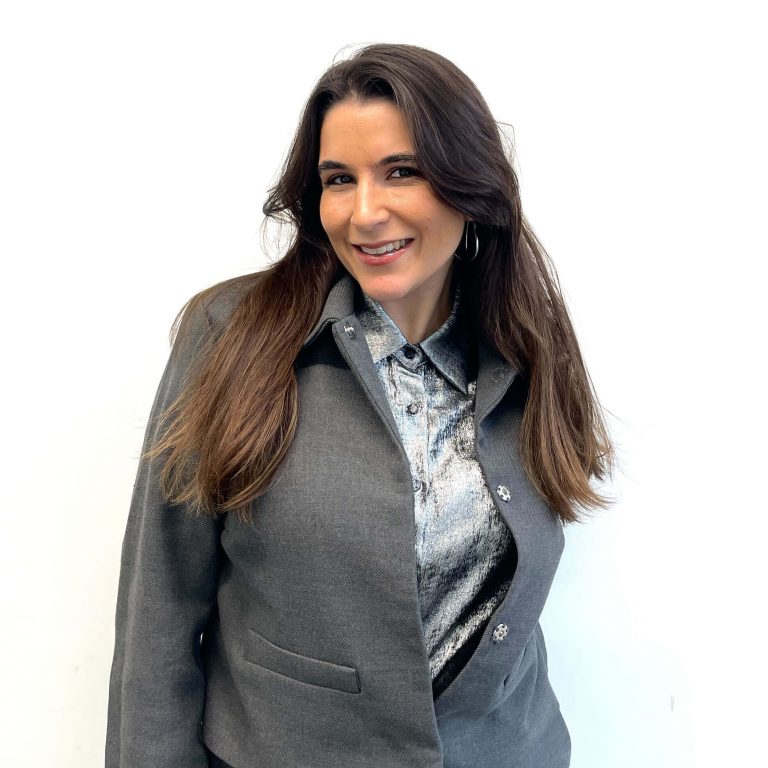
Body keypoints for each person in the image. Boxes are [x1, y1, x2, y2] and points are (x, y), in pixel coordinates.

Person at [105, 42, 615, 768]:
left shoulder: (526, 341)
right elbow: (160, 606)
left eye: (401, 171)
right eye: (339, 179)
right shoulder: (231, 335)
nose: (365, 212)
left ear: (470, 184)